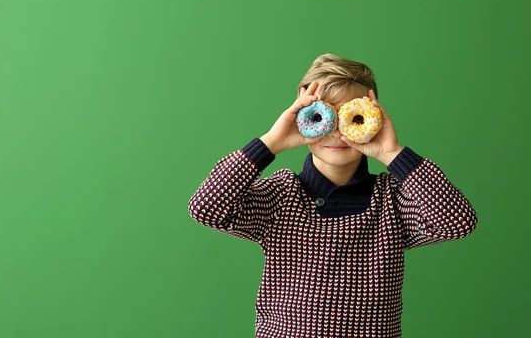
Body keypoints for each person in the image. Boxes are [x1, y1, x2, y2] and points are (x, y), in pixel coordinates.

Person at [187, 53, 478, 338]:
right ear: (302, 117)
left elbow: (457, 222)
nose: (337, 133)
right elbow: (206, 207)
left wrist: (392, 154)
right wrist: (271, 143)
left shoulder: (392, 202)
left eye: (351, 117)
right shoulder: (280, 196)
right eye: (324, 115)